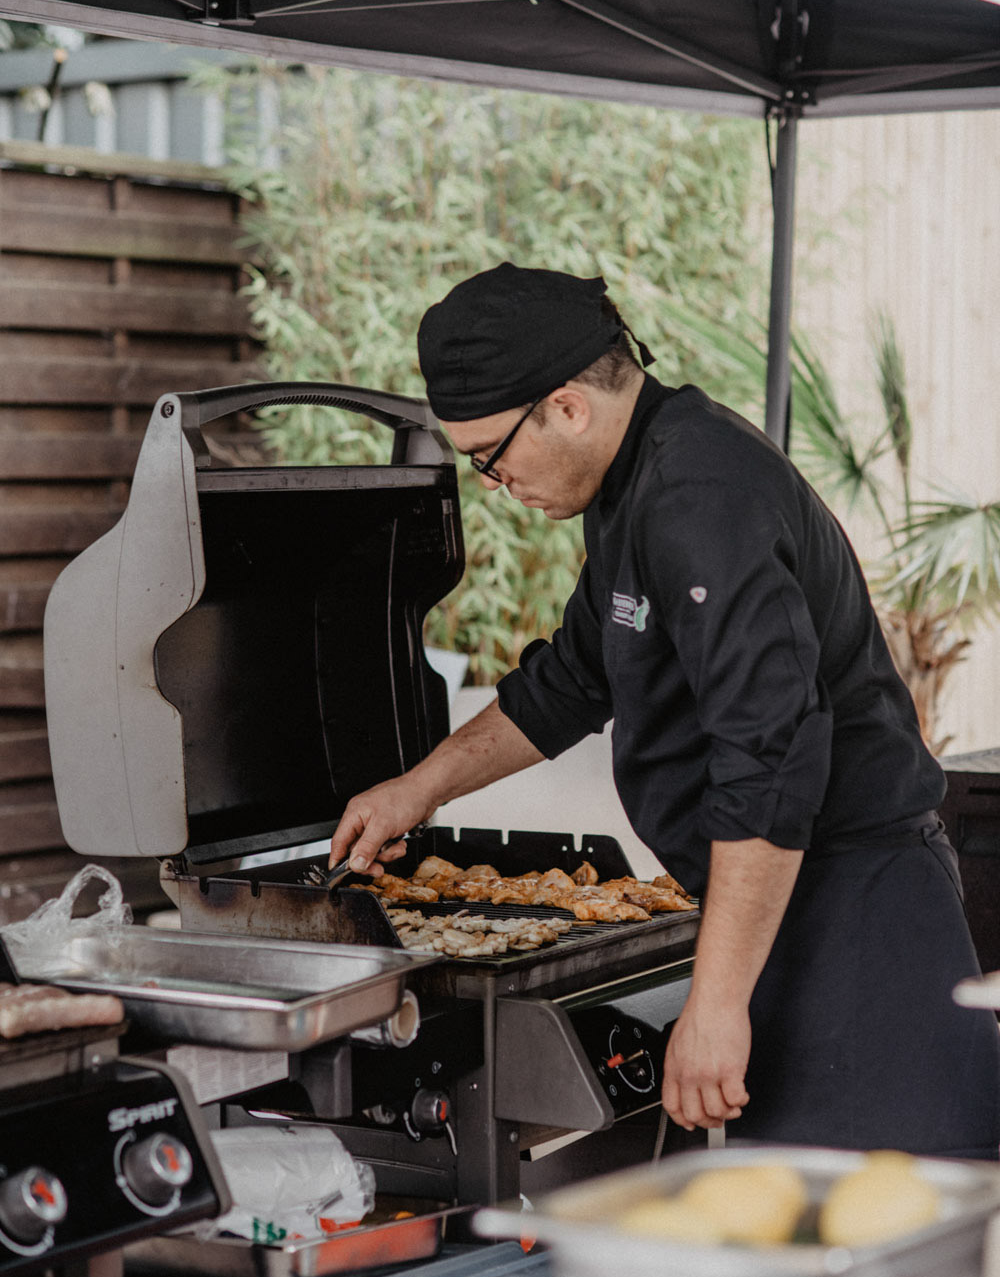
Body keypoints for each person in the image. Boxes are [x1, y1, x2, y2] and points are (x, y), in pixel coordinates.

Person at [330, 262, 1000, 1158]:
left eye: (490, 456)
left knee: (878, 1235)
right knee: (790, 1229)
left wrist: (714, 1005)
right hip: (785, 904)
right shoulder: (637, 482)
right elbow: (570, 679)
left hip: (859, 915)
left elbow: (770, 758)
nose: (495, 484)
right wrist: (418, 790)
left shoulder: (700, 496)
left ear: (566, 406)